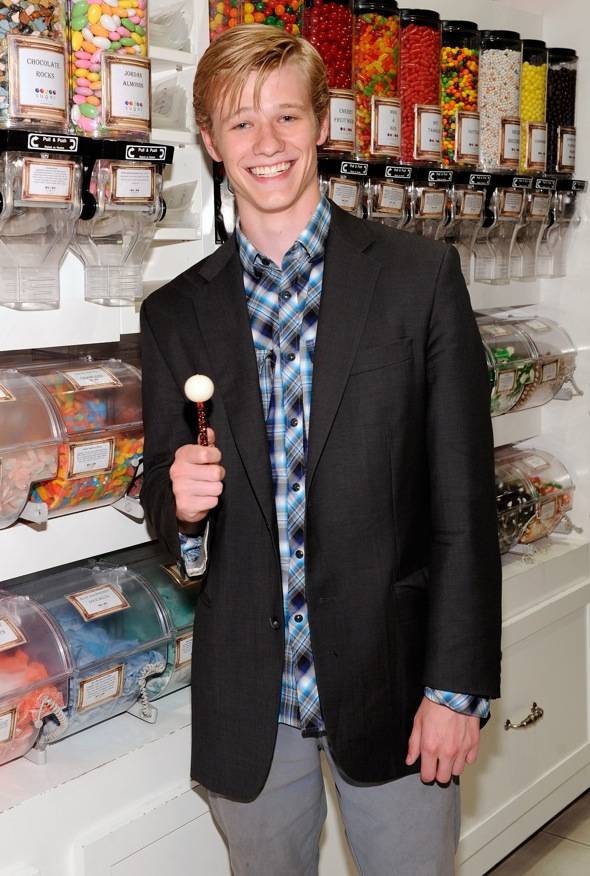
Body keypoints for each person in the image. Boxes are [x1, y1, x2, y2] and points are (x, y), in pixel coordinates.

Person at [140, 25, 502, 876]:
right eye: (240, 123)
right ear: (210, 141)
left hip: (398, 686)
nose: (266, 143)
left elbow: (462, 502)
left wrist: (457, 688)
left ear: (321, 124)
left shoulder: (418, 278)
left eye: (286, 117)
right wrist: (181, 509)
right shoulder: (174, 315)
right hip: (250, 703)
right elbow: (167, 501)